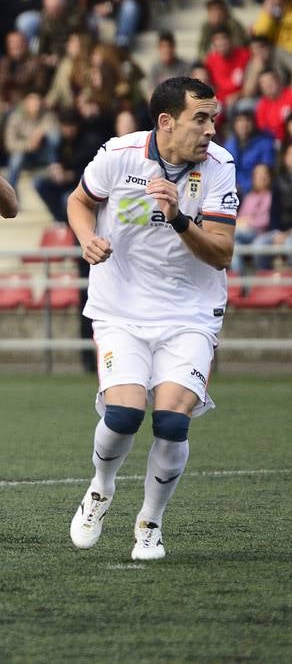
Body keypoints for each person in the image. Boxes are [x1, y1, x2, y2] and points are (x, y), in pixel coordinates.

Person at [66, 77, 238, 561]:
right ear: (166, 122)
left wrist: (181, 218)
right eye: (200, 119)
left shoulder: (220, 166)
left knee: (170, 421)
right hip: (121, 307)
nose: (210, 129)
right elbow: (80, 200)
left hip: (190, 312)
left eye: (213, 118)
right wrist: (85, 238)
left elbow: (222, 253)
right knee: (122, 415)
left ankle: (150, 523)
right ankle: (100, 489)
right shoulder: (119, 154)